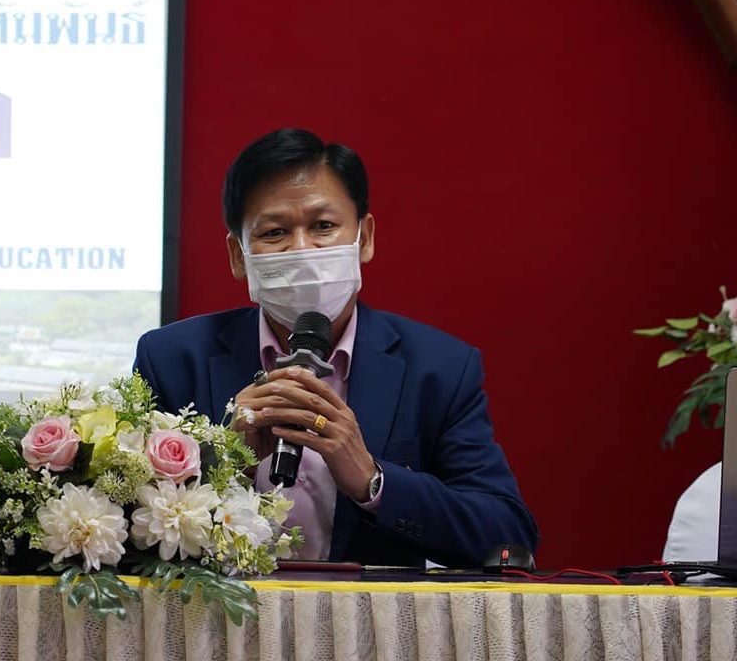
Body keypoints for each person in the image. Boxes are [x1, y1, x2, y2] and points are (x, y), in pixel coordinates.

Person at [133, 128, 538, 567]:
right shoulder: (172, 359)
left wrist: (372, 481)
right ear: (237, 255)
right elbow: (128, 530)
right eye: (275, 232)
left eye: (323, 226)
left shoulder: (438, 369)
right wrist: (226, 462)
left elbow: (506, 533)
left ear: (365, 237)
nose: (302, 249)